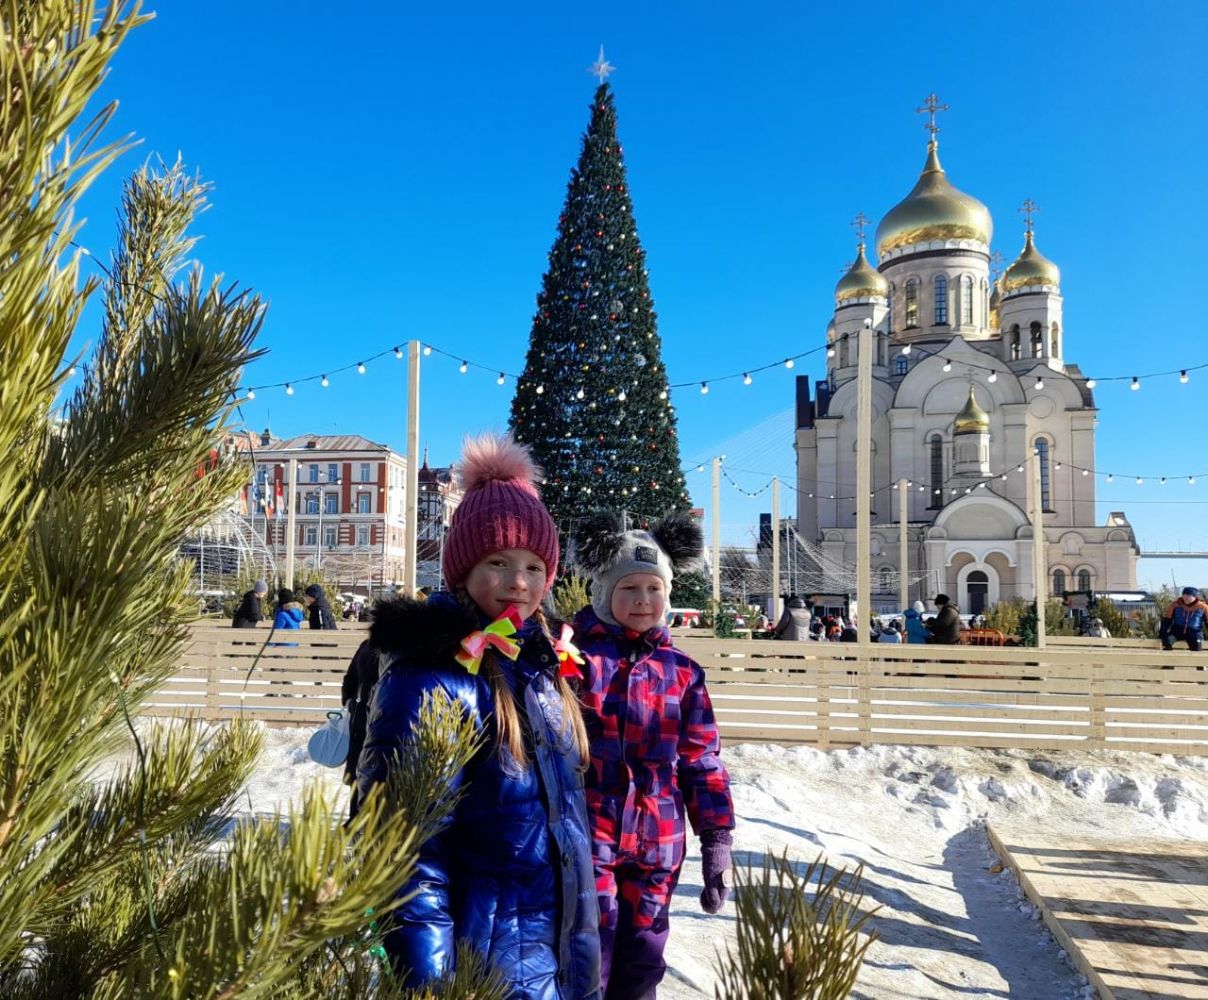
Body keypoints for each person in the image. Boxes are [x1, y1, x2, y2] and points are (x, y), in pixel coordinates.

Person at [356, 433, 600, 998]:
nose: (519, 581)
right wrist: (429, 984)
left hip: (557, 962)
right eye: (498, 562)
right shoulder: (433, 678)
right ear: (461, 570)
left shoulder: (544, 671)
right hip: (475, 970)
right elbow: (405, 854)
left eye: (535, 566)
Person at [570, 510, 734, 1000]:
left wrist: (716, 838)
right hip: (590, 831)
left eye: (654, 589)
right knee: (589, 954)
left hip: (658, 839)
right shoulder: (576, 661)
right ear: (603, 593)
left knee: (643, 956)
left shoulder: (682, 672)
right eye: (629, 589)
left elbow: (702, 759)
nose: (643, 601)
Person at [340, 635, 381, 819]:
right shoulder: (368, 646)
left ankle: (359, 818)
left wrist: (350, 700)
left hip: (373, 716)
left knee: (367, 770)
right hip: (364, 716)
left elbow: (350, 677)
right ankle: (356, 818)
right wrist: (349, 700)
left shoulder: (369, 645)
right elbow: (351, 677)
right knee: (360, 770)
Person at [1160, 587, 1208, 651]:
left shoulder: (1203, 607)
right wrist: (1162, 633)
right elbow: (1167, 620)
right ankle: (1169, 658)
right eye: (1184, 596)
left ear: (1194, 597)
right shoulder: (1175, 605)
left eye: (1188, 596)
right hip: (1177, 631)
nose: (1185, 598)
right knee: (1166, 641)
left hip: (1195, 633)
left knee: (1197, 649)